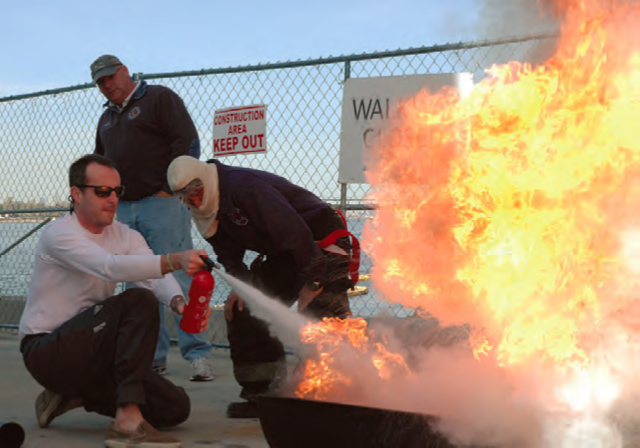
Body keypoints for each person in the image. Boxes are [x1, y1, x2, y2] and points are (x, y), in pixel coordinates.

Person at [18, 154, 211, 447]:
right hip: (48, 351)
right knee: (138, 301)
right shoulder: (58, 235)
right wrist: (175, 259)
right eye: (102, 191)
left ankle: (73, 394)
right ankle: (127, 421)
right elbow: (109, 266)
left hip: (95, 350)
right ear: (77, 194)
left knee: (175, 407)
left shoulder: (124, 234)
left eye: (117, 191)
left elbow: (152, 273)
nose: (112, 199)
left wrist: (179, 304)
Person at [166, 156, 360, 418]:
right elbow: (227, 252)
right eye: (186, 197)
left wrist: (315, 281)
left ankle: (328, 400)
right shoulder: (205, 211)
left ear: (204, 180)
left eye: (196, 192)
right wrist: (242, 285)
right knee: (244, 310)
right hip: (282, 250)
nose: (195, 202)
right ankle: (264, 394)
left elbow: (294, 232)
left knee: (322, 316)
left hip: (317, 242)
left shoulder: (245, 188)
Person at [90, 54, 214, 381]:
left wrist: (169, 188)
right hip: (124, 209)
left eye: (110, 77)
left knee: (182, 274)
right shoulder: (106, 119)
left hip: (163, 204)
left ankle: (198, 355)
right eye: (100, 82)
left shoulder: (159, 98)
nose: (106, 85)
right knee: (140, 283)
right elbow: (101, 164)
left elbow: (187, 142)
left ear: (124, 71)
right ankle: (153, 359)